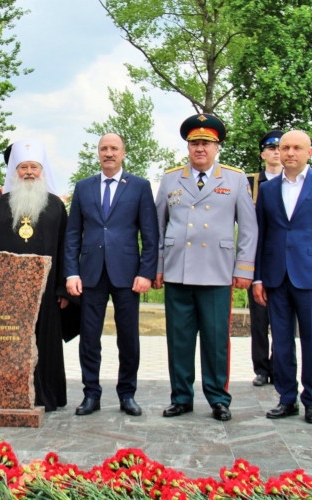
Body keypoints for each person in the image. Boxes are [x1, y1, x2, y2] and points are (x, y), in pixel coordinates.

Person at [153, 114, 257, 422]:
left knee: (215, 340)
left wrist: (245, 269)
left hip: (217, 271)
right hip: (178, 271)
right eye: (195, 143)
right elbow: (158, 227)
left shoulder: (235, 179)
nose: (201, 149)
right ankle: (181, 397)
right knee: (180, 339)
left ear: (217, 147)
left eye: (207, 144)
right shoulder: (171, 178)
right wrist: (157, 266)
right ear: (188, 146)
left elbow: (249, 229)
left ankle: (218, 398)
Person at [254, 130, 312, 425]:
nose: (289, 153)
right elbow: (260, 236)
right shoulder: (267, 190)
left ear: (310, 152)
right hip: (276, 277)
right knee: (281, 342)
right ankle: (286, 398)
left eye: (296, 148)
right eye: (284, 148)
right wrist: (257, 278)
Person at [64, 133, 158, 417]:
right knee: (89, 338)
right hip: (91, 274)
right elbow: (72, 235)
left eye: (114, 148)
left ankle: (127, 394)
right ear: (98, 153)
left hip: (128, 275)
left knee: (128, 338)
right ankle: (91, 393)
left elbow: (150, 235)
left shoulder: (140, 187)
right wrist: (71, 272)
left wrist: (146, 272)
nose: (108, 153)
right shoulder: (83, 188)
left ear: (123, 152)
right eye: (104, 148)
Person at [0, 139, 68, 411]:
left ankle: (47, 396)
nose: (29, 172)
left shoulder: (57, 205)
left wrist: (62, 289)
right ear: (15, 171)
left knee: (44, 343)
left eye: (34, 167)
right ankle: (9, 393)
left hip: (46, 294)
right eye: (24, 167)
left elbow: (66, 248)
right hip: (6, 292)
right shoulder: (0, 204)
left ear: (42, 170)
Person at [246, 130, 283, 387]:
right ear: (263, 153)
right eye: (271, 148)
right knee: (259, 320)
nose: (276, 152)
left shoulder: (294, 181)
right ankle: (261, 369)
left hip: (283, 259)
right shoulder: (248, 182)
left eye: (280, 147)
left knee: (283, 320)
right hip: (255, 259)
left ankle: (280, 366)